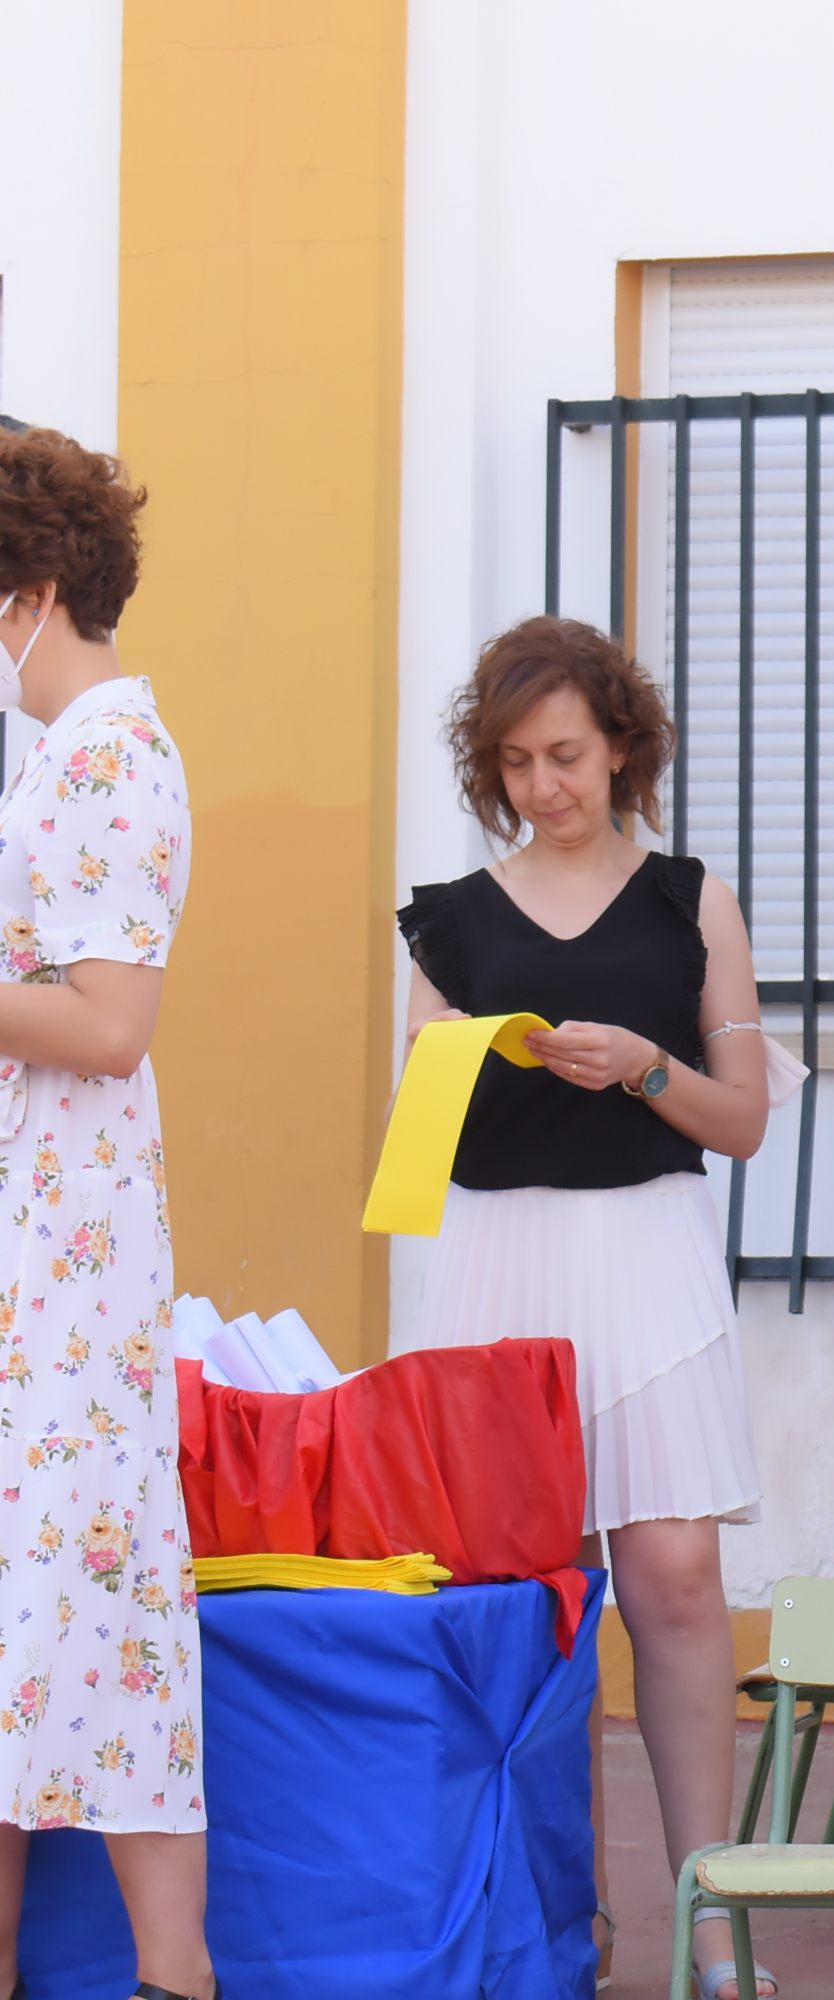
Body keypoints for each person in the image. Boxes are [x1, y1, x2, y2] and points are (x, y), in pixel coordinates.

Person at [391, 617, 779, 2000]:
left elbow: (742, 1122)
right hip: (500, 1267)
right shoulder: (447, 917)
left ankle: (711, 1924)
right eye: (516, 761)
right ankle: (565, 1925)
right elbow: (414, 1153)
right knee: (529, 1602)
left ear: (622, 742)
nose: (545, 784)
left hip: (650, 1256)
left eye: (565, 753)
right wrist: (437, 1070)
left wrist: (648, 1069)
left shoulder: (692, 903)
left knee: (675, 1580)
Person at [0, 424, 213, 2000]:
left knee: (99, 1594)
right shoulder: (66, 758)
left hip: (60, 1258)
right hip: (38, 1240)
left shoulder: (110, 756)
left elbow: (107, 1022)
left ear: (36, 589)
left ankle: (173, 1976)